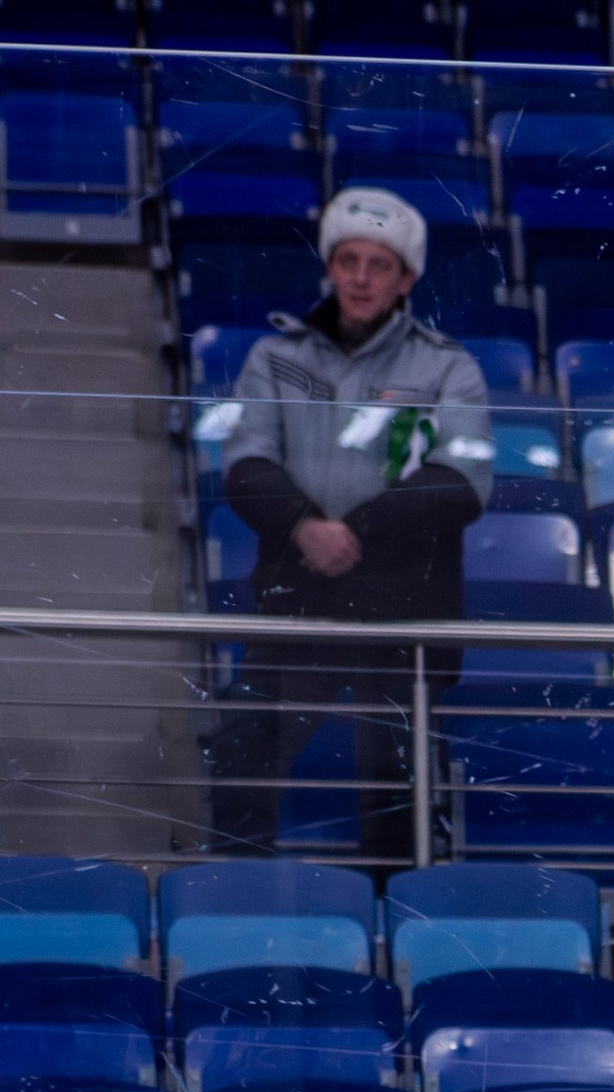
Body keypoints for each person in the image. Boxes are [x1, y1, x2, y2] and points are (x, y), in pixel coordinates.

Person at [212, 186, 490, 858]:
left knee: (395, 782)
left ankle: (395, 925)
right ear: (330, 267)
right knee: (242, 744)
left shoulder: (449, 367)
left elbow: (465, 479)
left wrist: (354, 530)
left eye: (380, 265)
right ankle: (233, 900)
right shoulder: (273, 359)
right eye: (348, 260)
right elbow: (246, 463)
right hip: (298, 602)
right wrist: (307, 528)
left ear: (407, 279)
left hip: (402, 614)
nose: (361, 278)